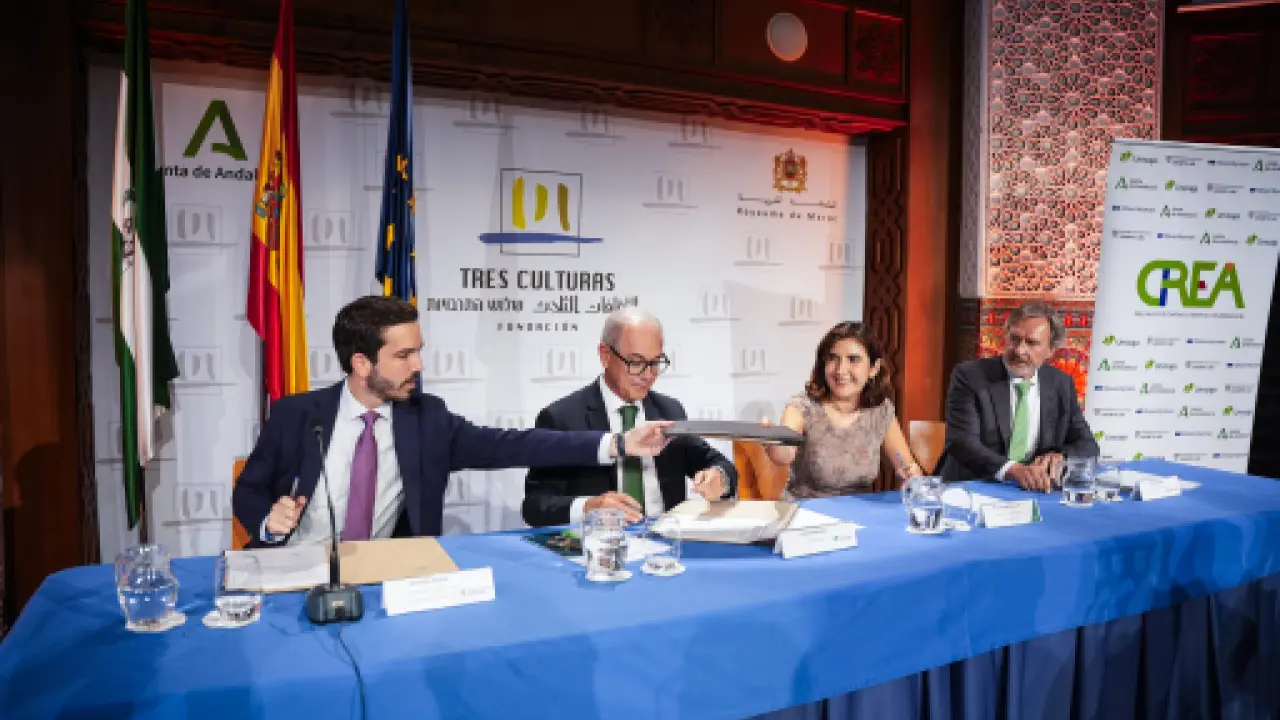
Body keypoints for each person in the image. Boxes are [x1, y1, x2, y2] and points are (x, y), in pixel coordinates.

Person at [232, 296, 672, 547]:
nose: (419, 365)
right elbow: (248, 491)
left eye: (419, 350)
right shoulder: (296, 415)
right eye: (404, 355)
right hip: (294, 573)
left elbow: (515, 444)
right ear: (362, 363)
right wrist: (269, 520)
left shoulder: (427, 420)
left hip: (385, 578)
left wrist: (617, 443)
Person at [522, 308, 737, 527]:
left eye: (655, 362)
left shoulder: (669, 410)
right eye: (636, 362)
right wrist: (588, 507)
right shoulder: (562, 418)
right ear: (605, 355)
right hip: (602, 542)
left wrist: (719, 477)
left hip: (667, 542)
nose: (648, 375)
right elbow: (535, 505)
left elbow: (718, 463)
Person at [938, 300, 1098, 491]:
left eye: (1032, 343)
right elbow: (962, 442)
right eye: (1014, 339)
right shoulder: (970, 376)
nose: (1020, 350)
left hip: (1033, 490)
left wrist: (1062, 456)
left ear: (1050, 350)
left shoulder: (1060, 383)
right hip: (974, 486)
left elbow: (1088, 445)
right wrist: (1012, 469)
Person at [761, 321, 922, 497]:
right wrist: (775, 444)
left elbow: (906, 467)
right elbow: (784, 454)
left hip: (859, 510)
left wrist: (911, 475)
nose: (841, 370)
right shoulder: (801, 407)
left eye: (853, 359)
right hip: (807, 509)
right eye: (833, 358)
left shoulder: (881, 410)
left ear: (873, 369)